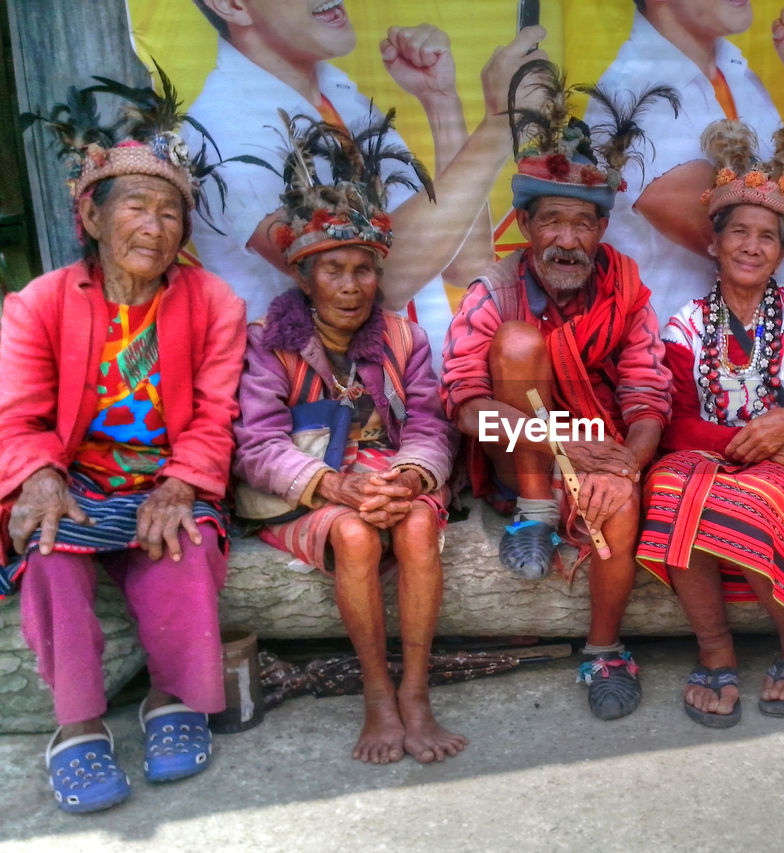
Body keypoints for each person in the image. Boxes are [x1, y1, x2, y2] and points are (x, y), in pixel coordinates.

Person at [2, 78, 246, 812]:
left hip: (162, 483)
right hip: (75, 486)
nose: (156, 225)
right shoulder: (39, 303)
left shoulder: (214, 304)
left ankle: (171, 698)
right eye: (136, 206)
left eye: (171, 211)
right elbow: (15, 415)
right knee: (46, 554)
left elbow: (214, 414)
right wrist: (40, 478)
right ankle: (76, 726)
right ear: (92, 216)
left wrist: (180, 487)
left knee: (184, 544)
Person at [441, 63, 673, 721]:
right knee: (518, 344)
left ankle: (603, 649)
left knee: (620, 509)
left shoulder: (626, 290)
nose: (567, 240)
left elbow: (647, 394)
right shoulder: (496, 290)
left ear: (600, 231)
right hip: (525, 460)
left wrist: (626, 464)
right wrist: (558, 437)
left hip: (601, 449)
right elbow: (465, 405)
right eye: (552, 222)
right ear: (524, 223)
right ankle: (536, 513)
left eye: (582, 224)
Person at [233, 117, 462, 764]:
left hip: (390, 478)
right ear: (303, 275)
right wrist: (336, 485)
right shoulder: (268, 343)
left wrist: (412, 478)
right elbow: (254, 443)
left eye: (363, 268)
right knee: (354, 534)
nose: (351, 284)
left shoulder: (402, 337)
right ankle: (377, 693)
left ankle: (415, 693)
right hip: (307, 489)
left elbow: (427, 421)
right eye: (332, 268)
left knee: (417, 527)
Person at [638, 119, 784, 726]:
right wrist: (758, 443)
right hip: (717, 461)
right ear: (713, 244)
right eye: (737, 232)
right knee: (670, 484)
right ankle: (716, 655)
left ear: (781, 250)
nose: (750, 245)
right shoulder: (686, 324)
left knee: (745, 498)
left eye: (766, 236)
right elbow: (676, 424)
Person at [186, 0, 546, 356]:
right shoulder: (221, 131)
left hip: (422, 394)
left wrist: (441, 102)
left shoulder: (338, 94)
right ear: (232, 5)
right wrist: (503, 123)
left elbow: (466, 263)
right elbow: (375, 282)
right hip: (326, 405)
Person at [586, 0, 784, 323]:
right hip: (677, 364)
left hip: (769, 354)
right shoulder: (629, 92)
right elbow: (730, 234)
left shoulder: (733, 71)